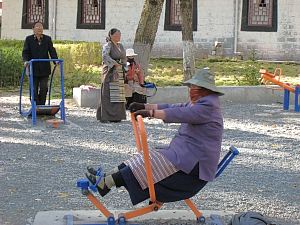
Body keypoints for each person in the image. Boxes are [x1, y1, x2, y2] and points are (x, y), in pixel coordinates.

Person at [86, 68, 224, 205]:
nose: (191, 89)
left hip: (194, 164)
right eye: (191, 86)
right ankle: (105, 179)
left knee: (148, 162)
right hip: (185, 155)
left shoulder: (208, 105)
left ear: (205, 89)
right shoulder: (200, 101)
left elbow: (181, 114)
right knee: (143, 157)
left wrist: (151, 113)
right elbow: (174, 107)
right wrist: (145, 106)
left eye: (194, 87)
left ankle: (105, 183)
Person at [22, 21, 58, 106]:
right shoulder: (29, 39)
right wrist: (26, 61)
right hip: (32, 68)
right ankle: (35, 105)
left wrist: (55, 60)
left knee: (44, 88)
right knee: (33, 89)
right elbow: (25, 52)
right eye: (37, 26)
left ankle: (42, 105)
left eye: (41, 26)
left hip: (44, 69)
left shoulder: (47, 39)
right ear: (33, 29)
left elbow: (52, 51)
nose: (40, 28)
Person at [96, 28, 127, 123]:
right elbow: (105, 56)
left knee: (118, 94)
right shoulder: (108, 45)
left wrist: (124, 66)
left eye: (119, 35)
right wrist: (114, 63)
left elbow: (124, 57)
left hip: (119, 70)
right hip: (110, 70)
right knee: (108, 92)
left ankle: (117, 116)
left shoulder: (120, 46)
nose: (118, 37)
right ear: (111, 36)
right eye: (116, 35)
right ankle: (106, 116)